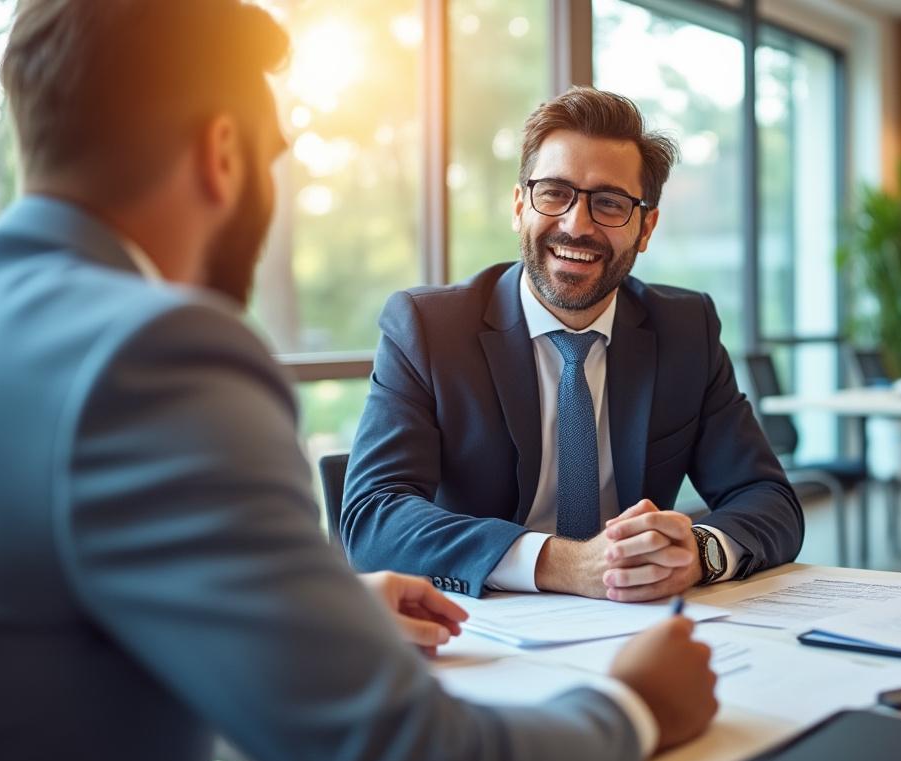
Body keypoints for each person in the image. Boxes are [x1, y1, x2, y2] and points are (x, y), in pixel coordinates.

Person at [0, 2, 717, 761]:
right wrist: (632, 706)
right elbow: (388, 746)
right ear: (223, 154)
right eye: (272, 155)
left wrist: (311, 613)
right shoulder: (152, 354)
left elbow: (23, 625)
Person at [342, 87, 804, 603]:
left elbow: (768, 498)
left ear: (645, 227)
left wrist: (699, 551)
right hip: (483, 631)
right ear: (520, 206)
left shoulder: (685, 328)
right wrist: (563, 563)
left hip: (638, 623)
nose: (576, 225)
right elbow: (374, 517)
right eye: (554, 193)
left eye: (609, 203)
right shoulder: (428, 329)